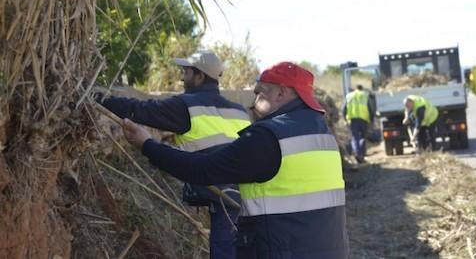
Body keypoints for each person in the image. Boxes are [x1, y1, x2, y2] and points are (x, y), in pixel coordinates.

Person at [120, 62, 349, 258]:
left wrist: (147, 145)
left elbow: (201, 170)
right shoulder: (322, 133)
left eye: (260, 93)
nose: (254, 101)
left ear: (281, 93)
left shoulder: (269, 137)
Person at [96, 51, 251, 259]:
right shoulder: (240, 111)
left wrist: (97, 98)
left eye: (186, 72)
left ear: (200, 76)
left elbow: (139, 110)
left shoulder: (187, 106)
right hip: (250, 197)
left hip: (225, 201)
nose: (181, 77)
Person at [343, 84, 374, 163]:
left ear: (355, 89)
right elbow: (371, 108)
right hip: (364, 119)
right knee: (363, 137)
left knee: (355, 137)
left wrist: (345, 119)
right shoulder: (365, 95)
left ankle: (357, 153)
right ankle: (362, 155)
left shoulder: (349, 96)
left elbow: (343, 109)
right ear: (362, 89)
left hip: (352, 120)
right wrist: (371, 120)